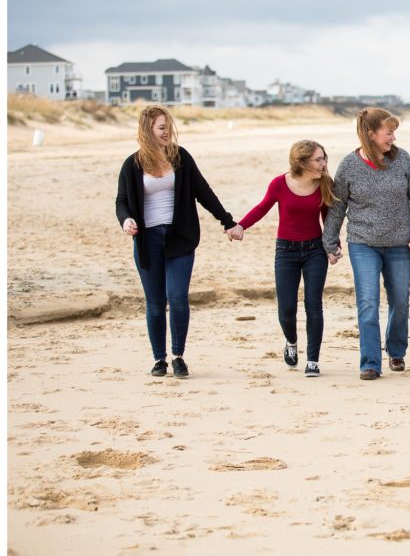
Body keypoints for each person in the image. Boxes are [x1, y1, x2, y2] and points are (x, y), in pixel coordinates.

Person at [115, 104, 239, 378]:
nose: (167, 132)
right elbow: (122, 201)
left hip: (179, 237)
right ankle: (159, 359)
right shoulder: (133, 164)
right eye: (162, 128)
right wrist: (126, 220)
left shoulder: (181, 158)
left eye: (169, 127)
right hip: (147, 241)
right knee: (155, 302)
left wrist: (228, 222)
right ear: (148, 130)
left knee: (178, 297)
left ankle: (178, 356)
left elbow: (203, 192)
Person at [322, 107, 410, 381]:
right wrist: (329, 240)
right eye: (389, 132)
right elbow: (337, 206)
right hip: (363, 244)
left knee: (400, 301)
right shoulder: (349, 165)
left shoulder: (403, 159)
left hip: (399, 244)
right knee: (368, 303)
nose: (393, 137)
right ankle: (370, 362)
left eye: (394, 132)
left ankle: (395, 350)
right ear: (371, 134)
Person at [232, 140, 336, 377]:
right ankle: (291, 342)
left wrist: (333, 246)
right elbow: (262, 207)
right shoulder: (280, 183)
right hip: (286, 251)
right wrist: (240, 226)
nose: (324, 163)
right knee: (287, 309)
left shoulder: (325, 184)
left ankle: (312, 360)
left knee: (314, 305)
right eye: (318, 159)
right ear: (301, 162)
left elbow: (329, 219)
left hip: (314, 250)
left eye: (324, 157)